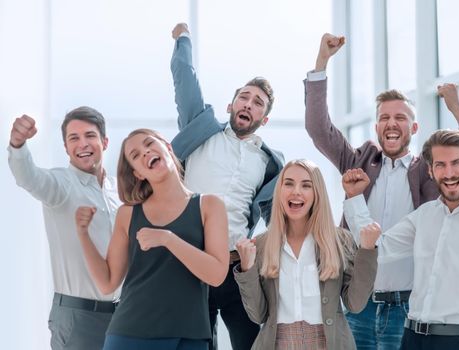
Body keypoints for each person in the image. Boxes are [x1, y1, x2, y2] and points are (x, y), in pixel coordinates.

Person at [304, 33, 459, 349]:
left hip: (408, 308)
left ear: (414, 128)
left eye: (400, 118)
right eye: (384, 118)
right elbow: (318, 129)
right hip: (359, 304)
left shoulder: (431, 171)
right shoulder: (359, 160)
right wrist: (322, 62)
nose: (391, 124)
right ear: (377, 127)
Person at [342, 130, 459, 350]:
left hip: (456, 342)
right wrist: (354, 197)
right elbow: (378, 247)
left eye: (456, 163)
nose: (448, 173)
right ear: (430, 170)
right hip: (411, 338)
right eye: (440, 165)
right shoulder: (425, 214)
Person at [170, 23, 284, 350]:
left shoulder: (270, 162)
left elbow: (278, 215)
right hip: (194, 266)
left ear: (265, 118)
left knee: (252, 344)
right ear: (230, 106)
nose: (249, 104)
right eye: (243, 98)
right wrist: (183, 39)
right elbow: (184, 79)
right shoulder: (201, 131)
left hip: (239, 270)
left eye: (258, 102)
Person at [75, 128, 229, 349]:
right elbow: (108, 283)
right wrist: (82, 234)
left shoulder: (209, 206)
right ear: (138, 173)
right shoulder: (127, 214)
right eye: (136, 156)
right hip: (129, 335)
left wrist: (169, 239)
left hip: (188, 336)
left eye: (149, 144)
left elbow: (216, 275)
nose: (145, 153)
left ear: (167, 147)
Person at [234, 159, 378, 349]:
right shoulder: (262, 244)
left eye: (306, 185)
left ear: (317, 193)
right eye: (289, 183)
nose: (296, 191)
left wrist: (367, 251)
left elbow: (355, 304)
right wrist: (247, 268)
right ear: (280, 191)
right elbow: (258, 315)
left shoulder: (339, 240)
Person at [7, 108, 120, 350]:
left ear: (105, 141)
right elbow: (29, 177)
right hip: (78, 317)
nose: (83, 144)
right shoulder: (60, 185)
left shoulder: (120, 191)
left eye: (90, 135)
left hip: (124, 316)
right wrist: (18, 145)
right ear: (66, 148)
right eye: (74, 138)